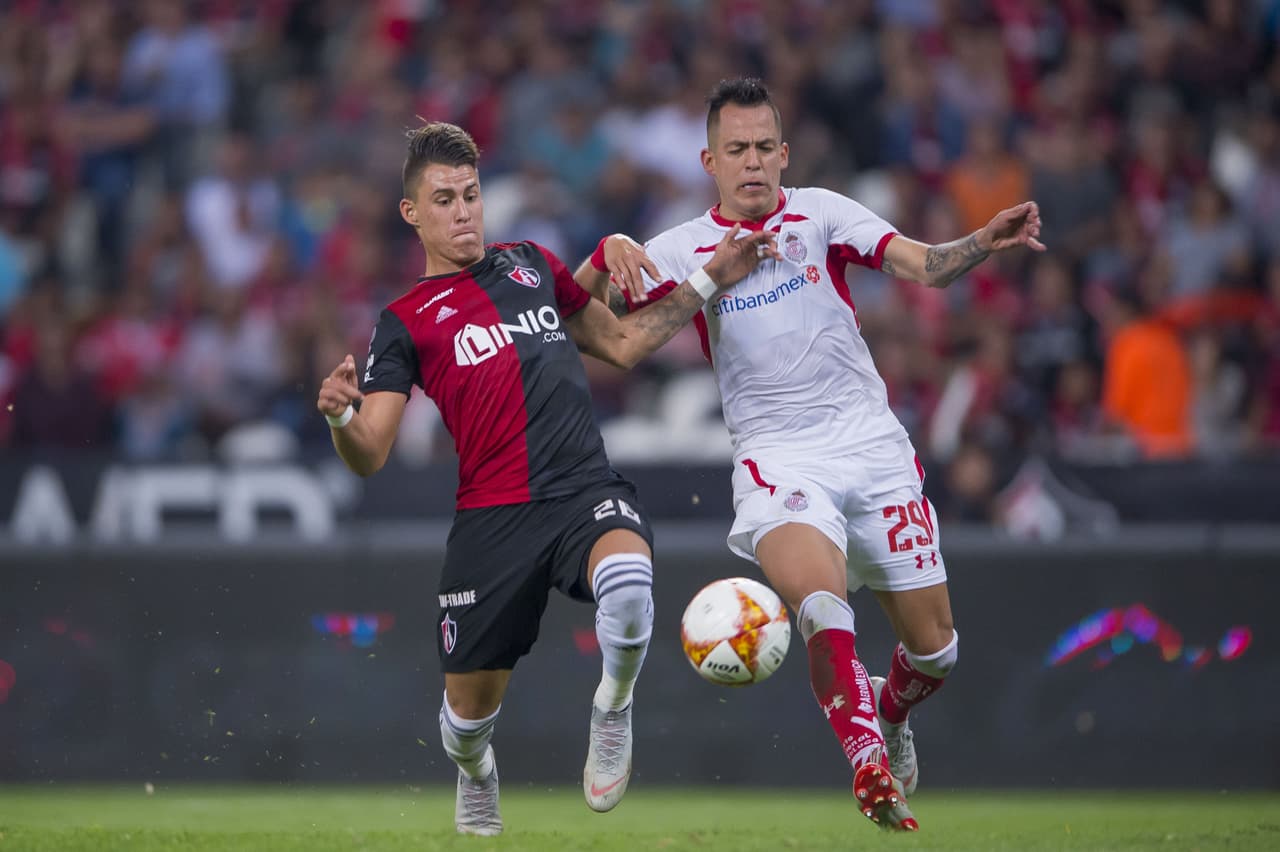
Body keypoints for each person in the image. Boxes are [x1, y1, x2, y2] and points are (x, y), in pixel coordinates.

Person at [585, 78, 1044, 831]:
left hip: (871, 444)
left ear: (785, 152)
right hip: (777, 457)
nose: (754, 162)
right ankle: (867, 763)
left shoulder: (822, 214)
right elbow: (586, 326)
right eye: (738, 149)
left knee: (937, 654)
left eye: (766, 146)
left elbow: (921, 264)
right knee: (821, 605)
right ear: (710, 160)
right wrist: (605, 253)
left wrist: (980, 243)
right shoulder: (678, 249)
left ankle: (891, 713)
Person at [314, 122, 777, 836]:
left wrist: (712, 275)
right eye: (444, 199)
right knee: (467, 722)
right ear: (413, 213)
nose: (464, 210)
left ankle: (613, 708)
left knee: (628, 584)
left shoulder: (529, 263)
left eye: (470, 194)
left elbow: (623, 342)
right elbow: (371, 452)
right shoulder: (405, 322)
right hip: (492, 523)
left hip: (582, 489)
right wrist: (343, 418)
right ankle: (476, 772)